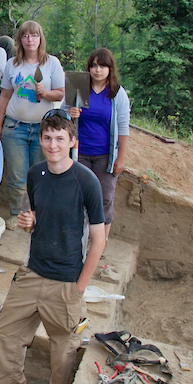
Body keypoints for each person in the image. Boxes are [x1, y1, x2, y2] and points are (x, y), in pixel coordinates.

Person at [0, 110, 106, 384]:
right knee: (5, 333)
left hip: (66, 281)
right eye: (47, 138)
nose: (52, 144)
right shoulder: (36, 174)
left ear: (72, 142)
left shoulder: (86, 181)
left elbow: (99, 239)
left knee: (63, 349)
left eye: (60, 138)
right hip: (33, 272)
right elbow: (34, 215)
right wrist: (28, 222)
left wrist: (80, 287)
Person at [0, 20, 66, 229]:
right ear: (20, 40)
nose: (30, 39)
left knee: (41, 175)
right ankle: (18, 214)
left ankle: (38, 214)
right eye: (25, 36)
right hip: (15, 127)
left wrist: (46, 93)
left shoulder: (51, 63)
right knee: (17, 177)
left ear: (40, 38)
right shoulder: (13, 64)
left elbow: (61, 92)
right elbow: (5, 95)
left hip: (44, 130)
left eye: (34, 35)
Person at [67, 48, 130, 240]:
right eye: (94, 65)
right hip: (80, 153)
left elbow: (123, 127)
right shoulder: (78, 87)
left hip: (105, 155)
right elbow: (62, 114)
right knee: (77, 197)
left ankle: (99, 244)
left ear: (110, 69)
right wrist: (70, 113)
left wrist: (121, 158)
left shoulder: (117, 93)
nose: (98, 70)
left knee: (104, 200)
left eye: (102, 66)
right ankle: (76, 241)